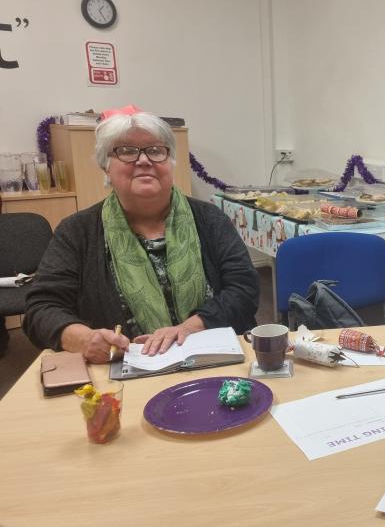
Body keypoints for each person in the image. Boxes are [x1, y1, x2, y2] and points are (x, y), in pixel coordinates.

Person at [24, 107, 260, 363]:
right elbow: (41, 308)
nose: (144, 160)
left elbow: (244, 288)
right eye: (126, 151)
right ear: (106, 167)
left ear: (170, 162)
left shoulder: (209, 218)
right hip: (121, 369)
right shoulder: (77, 232)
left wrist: (189, 328)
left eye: (156, 150)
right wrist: (83, 339)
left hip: (214, 360)